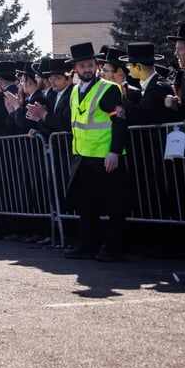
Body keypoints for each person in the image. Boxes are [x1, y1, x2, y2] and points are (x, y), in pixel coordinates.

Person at [63, 42, 129, 262]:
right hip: (83, 157)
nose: (87, 69)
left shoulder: (108, 89)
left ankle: (113, 248)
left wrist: (114, 152)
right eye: (82, 66)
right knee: (86, 205)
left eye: (90, 65)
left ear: (97, 65)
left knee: (113, 204)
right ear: (75, 69)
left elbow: (119, 123)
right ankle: (87, 245)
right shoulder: (74, 91)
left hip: (104, 156)